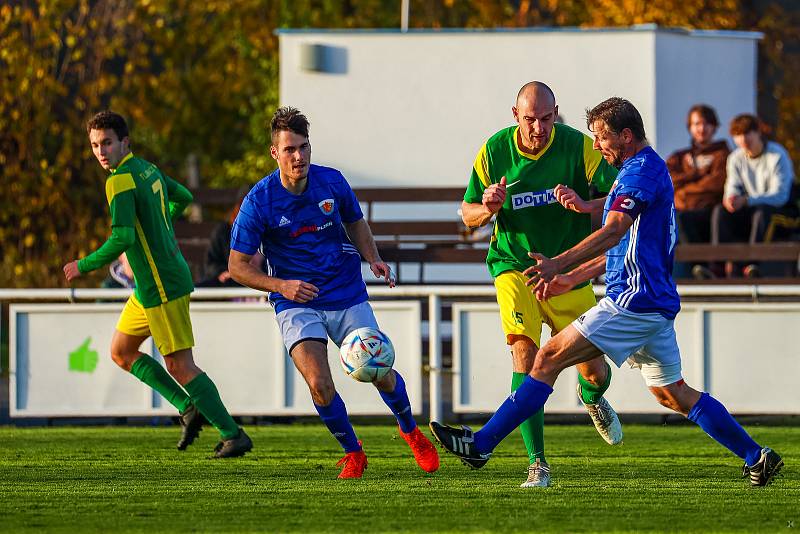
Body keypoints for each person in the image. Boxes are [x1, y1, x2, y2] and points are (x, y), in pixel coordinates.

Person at [430, 97, 783, 487]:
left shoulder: (638, 173)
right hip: (653, 303)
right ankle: (757, 456)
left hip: (632, 302)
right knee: (673, 395)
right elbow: (623, 242)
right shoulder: (641, 170)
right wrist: (576, 252)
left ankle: (481, 445)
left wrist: (558, 264)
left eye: (601, 138)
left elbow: (613, 231)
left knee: (545, 358)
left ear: (626, 136)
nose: (596, 145)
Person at [228, 107, 439, 479]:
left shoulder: (332, 182)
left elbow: (355, 222)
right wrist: (282, 286)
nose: (299, 157)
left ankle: (410, 430)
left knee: (380, 372)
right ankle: (354, 452)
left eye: (304, 147)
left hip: (344, 290)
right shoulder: (259, 201)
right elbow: (237, 266)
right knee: (319, 385)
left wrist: (372, 258)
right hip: (296, 301)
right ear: (274, 153)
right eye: (290, 149)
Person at [460, 81, 622, 488]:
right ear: (516, 116)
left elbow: (621, 197)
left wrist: (586, 204)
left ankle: (592, 398)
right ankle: (537, 464)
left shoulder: (577, 147)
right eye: (529, 119)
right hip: (515, 266)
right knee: (526, 354)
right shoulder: (494, 150)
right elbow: (467, 214)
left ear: (556, 113)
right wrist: (488, 208)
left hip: (567, 269)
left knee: (596, 371)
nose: (538, 128)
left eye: (545, 118)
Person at [63, 111, 252, 458]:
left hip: (160, 285)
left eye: (106, 142)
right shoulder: (147, 169)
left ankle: (232, 433)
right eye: (94, 145)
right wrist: (159, 222)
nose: (101, 151)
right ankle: (187, 406)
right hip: (151, 285)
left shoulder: (118, 180)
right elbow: (183, 197)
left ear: (125, 142)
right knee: (121, 351)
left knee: (180, 365)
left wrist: (83, 264)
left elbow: (120, 237)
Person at [713, 113, 796, 278]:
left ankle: (753, 265)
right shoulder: (735, 158)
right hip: (752, 209)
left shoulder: (777, 155)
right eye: (738, 134)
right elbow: (731, 187)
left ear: (758, 132)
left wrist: (747, 200)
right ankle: (717, 266)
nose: (743, 138)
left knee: (761, 213)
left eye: (747, 132)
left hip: (783, 212)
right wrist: (731, 199)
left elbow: (780, 197)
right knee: (720, 212)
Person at [666, 105, 729, 279]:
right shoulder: (679, 156)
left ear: (715, 126)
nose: (702, 128)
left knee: (682, 218)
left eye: (707, 123)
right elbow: (665, 179)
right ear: (690, 127)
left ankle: (701, 268)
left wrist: (684, 191)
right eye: (697, 123)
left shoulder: (722, 154)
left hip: (708, 214)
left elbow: (716, 184)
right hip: (680, 213)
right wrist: (695, 174)